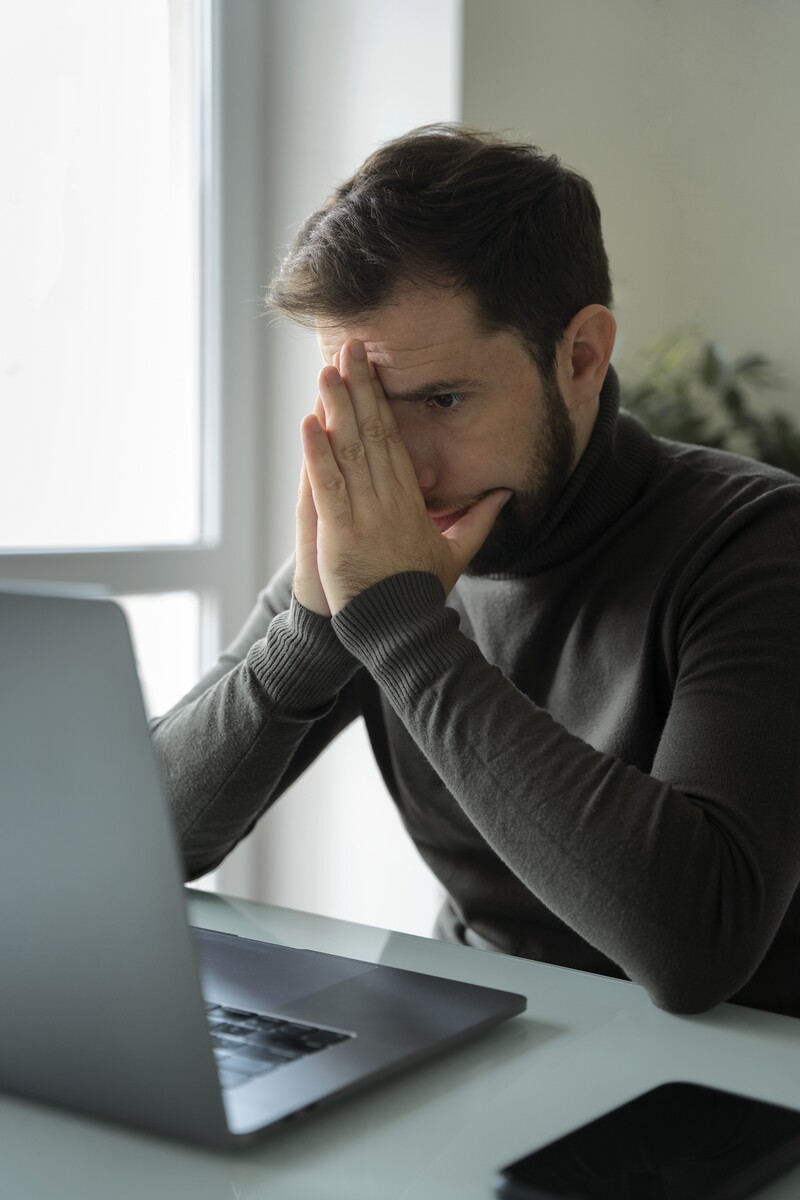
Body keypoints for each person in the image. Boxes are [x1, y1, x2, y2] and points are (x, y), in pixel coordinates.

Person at [152, 124, 800, 1018]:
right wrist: (308, 630)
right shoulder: (384, 549)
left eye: (444, 400)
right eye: (367, 408)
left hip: (728, 1095)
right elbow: (141, 845)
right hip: (481, 1035)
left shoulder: (758, 541)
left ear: (580, 357)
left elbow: (695, 948)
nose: (405, 471)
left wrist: (406, 634)